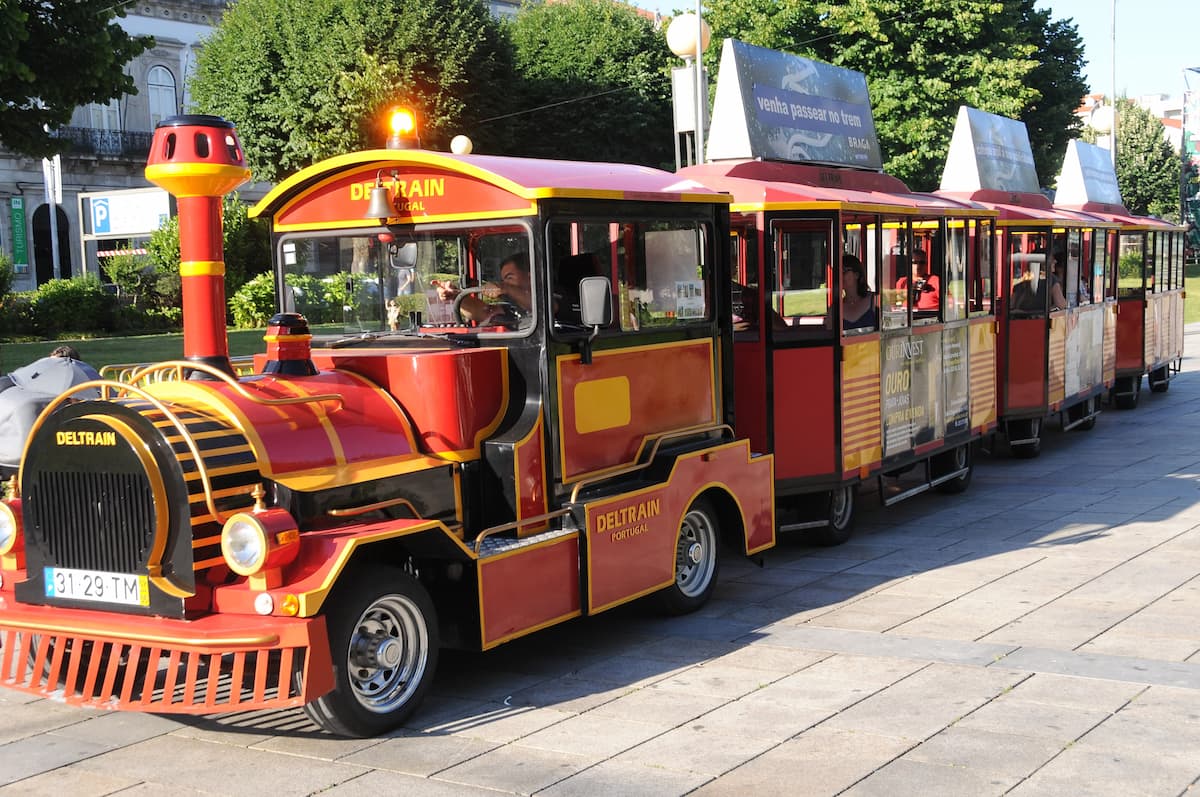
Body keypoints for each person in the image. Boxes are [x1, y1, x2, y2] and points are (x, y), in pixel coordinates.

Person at [434, 253, 532, 328]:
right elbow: (484, 311)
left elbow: (534, 304)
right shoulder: (512, 309)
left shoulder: (545, 300)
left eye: (509, 277)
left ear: (530, 276)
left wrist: (504, 287)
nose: (505, 283)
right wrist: (455, 295)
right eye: (503, 280)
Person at [841, 254, 876, 331]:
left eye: (844, 271)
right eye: (837, 272)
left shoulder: (875, 301)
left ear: (856, 275)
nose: (840, 275)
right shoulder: (835, 308)